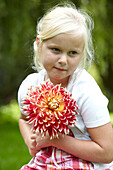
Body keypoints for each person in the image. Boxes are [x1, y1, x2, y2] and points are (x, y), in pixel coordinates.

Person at [18, 2, 113, 170]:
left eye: (72, 53)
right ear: (39, 45)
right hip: (46, 162)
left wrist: (54, 140)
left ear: (81, 53)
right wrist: (29, 140)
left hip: (85, 163)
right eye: (56, 50)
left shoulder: (85, 90)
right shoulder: (31, 86)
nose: (63, 60)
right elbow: (24, 119)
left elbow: (107, 152)